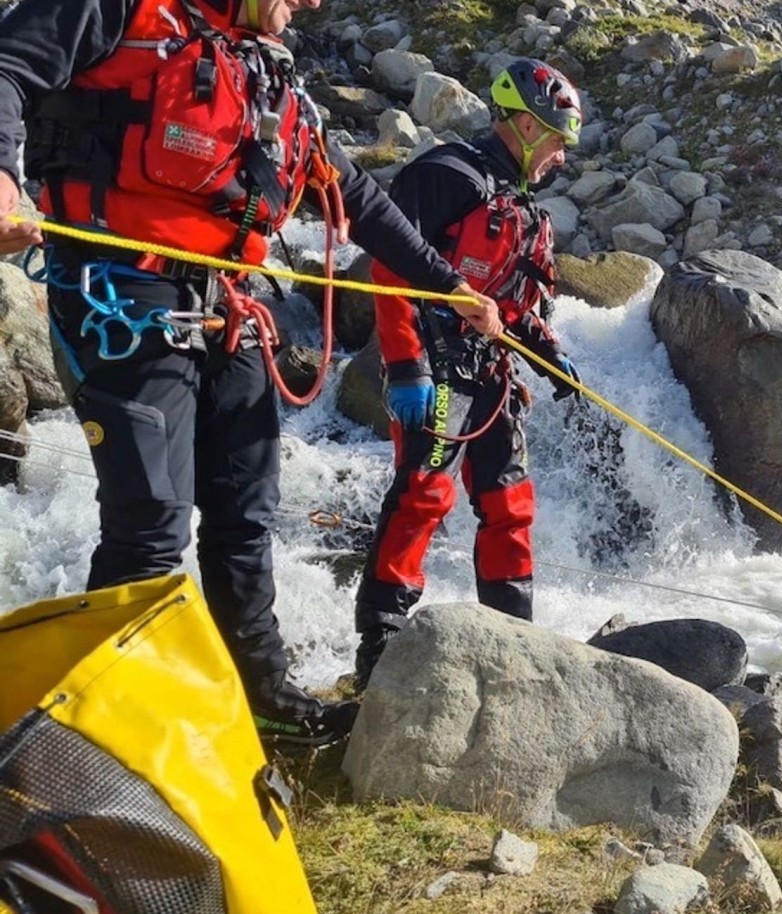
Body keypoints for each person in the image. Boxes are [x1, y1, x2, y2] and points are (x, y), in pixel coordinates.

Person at [0, 0, 502, 746]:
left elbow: (353, 199)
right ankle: (113, 734)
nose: (310, 4)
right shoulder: (120, 7)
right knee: (149, 529)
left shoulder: (270, 73)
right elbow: (7, 67)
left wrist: (446, 286)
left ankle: (259, 692)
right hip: (120, 296)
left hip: (231, 310)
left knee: (244, 521)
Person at [350, 58, 584, 690]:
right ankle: (380, 642)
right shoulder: (445, 175)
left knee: (512, 507)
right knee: (423, 495)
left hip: (491, 372)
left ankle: (513, 642)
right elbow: (388, 268)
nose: (560, 159)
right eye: (558, 142)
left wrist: (547, 351)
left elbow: (514, 306)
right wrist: (404, 366)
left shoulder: (529, 215)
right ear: (529, 128)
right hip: (433, 365)